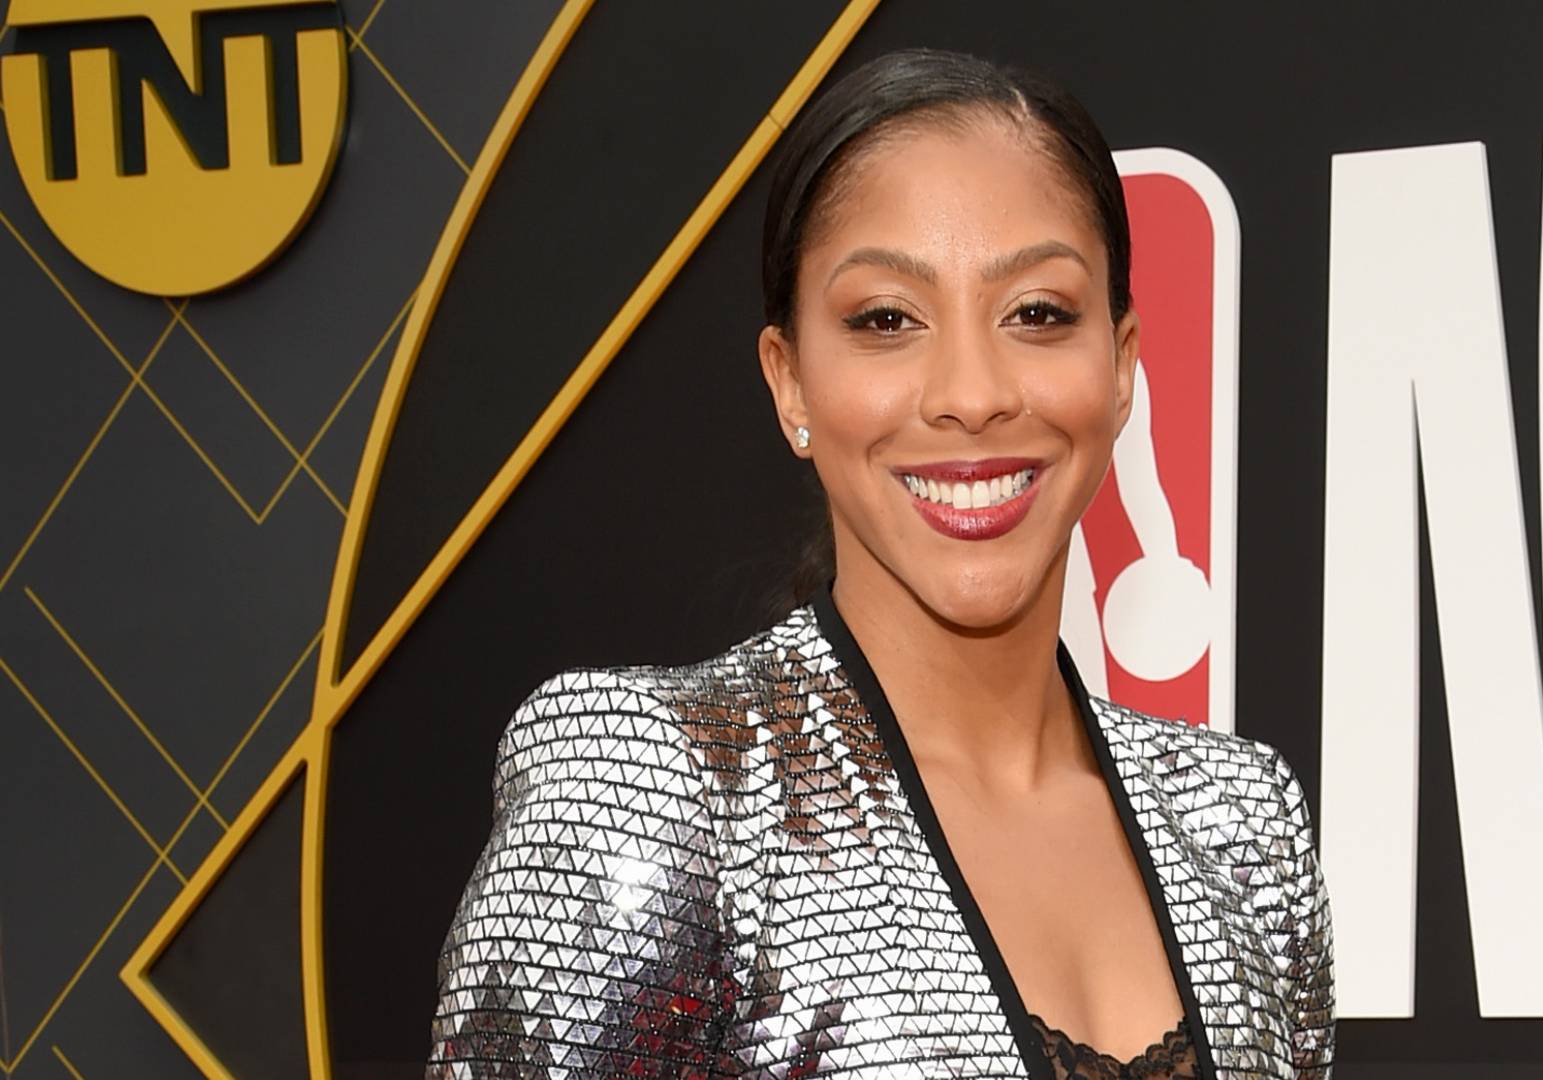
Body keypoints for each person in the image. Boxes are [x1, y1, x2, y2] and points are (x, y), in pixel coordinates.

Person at [425, 46, 1332, 1080]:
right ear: (791, 384)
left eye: (1037, 312)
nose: (972, 391)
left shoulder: (1246, 827)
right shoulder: (661, 797)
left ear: (1121, 366)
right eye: (886, 320)